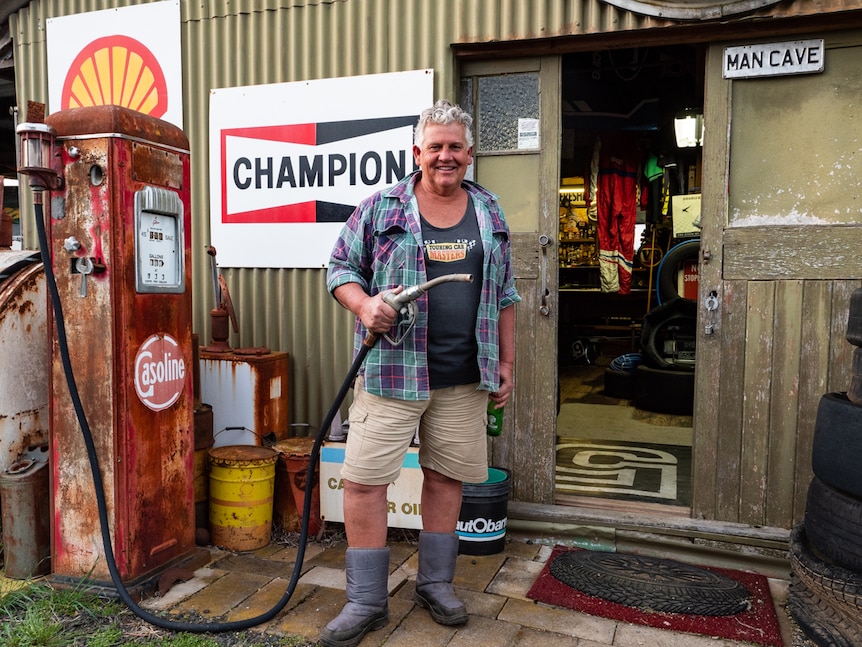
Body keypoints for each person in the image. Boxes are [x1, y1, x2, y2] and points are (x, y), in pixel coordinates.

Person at [322, 99, 520, 647]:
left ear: (470, 153)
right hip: (391, 374)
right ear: (417, 152)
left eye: (455, 146)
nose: (446, 156)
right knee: (363, 482)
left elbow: (505, 295)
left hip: (463, 376)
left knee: (446, 478)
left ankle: (436, 584)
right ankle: (365, 600)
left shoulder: (490, 212)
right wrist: (364, 306)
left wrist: (507, 361)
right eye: (435, 147)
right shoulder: (382, 206)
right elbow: (339, 268)